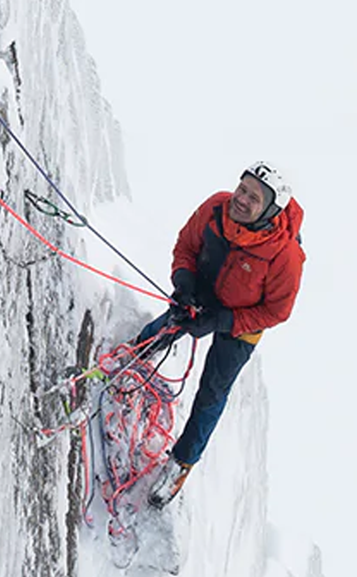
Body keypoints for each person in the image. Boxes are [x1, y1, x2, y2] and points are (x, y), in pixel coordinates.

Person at [138, 162, 305, 508]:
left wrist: (221, 321)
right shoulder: (217, 207)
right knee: (169, 325)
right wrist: (184, 283)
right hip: (203, 292)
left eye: (253, 197)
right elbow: (185, 245)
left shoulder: (284, 254)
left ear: (270, 210)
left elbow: (277, 311)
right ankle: (133, 356)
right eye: (242, 189)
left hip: (241, 323)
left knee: (212, 393)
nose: (241, 199)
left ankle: (181, 464)